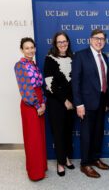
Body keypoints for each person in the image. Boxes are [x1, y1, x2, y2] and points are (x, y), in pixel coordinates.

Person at [72, 29, 109, 178]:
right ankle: (85, 164)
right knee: (87, 135)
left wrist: (107, 101)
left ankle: (95, 159)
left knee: (97, 133)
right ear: (90, 39)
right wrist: (79, 104)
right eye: (96, 38)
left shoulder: (105, 57)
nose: (99, 41)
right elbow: (75, 82)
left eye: (102, 39)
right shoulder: (80, 56)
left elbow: (104, 80)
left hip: (101, 102)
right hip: (86, 104)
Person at [14, 37, 47, 181]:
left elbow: (41, 86)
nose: (30, 50)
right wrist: (37, 104)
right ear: (22, 50)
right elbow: (25, 88)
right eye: (26, 48)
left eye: (32, 47)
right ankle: (35, 173)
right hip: (30, 105)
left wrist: (44, 102)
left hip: (40, 102)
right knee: (32, 138)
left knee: (39, 137)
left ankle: (41, 167)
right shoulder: (20, 65)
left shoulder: (34, 64)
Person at [43, 32, 75, 177]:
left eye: (64, 41)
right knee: (59, 133)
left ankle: (67, 157)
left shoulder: (73, 58)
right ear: (55, 44)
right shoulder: (50, 59)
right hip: (57, 102)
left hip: (71, 103)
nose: (62, 44)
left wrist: (73, 100)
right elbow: (50, 84)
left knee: (68, 131)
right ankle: (60, 162)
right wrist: (64, 100)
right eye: (59, 42)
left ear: (68, 42)